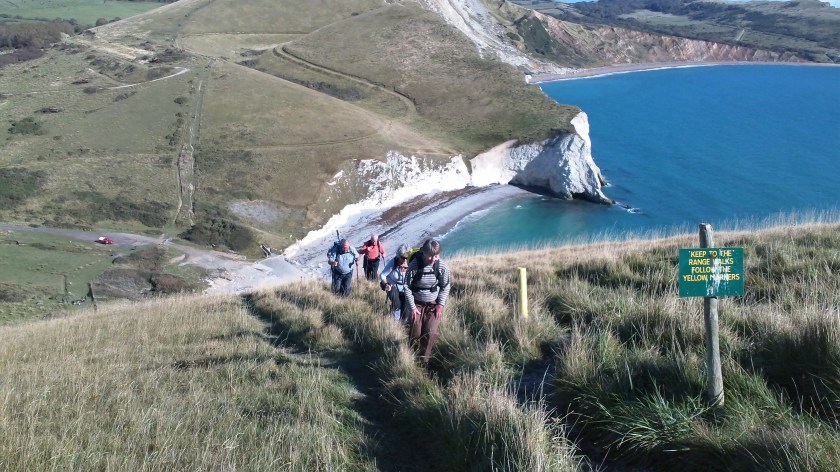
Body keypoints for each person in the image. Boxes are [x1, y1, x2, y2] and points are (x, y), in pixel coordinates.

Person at [404, 239, 451, 367]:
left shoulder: (441, 266)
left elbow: (446, 286)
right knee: (415, 333)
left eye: (435, 256)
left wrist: (440, 305)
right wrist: (412, 308)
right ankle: (411, 357)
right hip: (417, 303)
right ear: (423, 253)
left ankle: (424, 362)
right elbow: (406, 287)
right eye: (429, 255)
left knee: (430, 333)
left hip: (433, 304)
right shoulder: (414, 265)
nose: (432, 259)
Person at [380, 244, 410, 321]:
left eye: (407, 257)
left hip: (406, 287)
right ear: (399, 256)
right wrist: (386, 284)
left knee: (406, 305)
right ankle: (395, 321)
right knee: (397, 303)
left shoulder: (411, 263)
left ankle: (404, 323)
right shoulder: (393, 262)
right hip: (392, 286)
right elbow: (383, 275)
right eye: (403, 257)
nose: (405, 259)